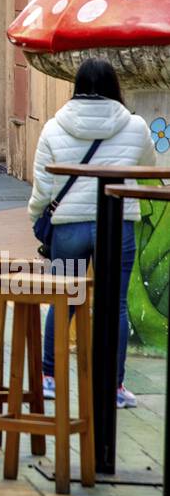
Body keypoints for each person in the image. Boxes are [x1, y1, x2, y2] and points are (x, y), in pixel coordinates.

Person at [28, 58, 156, 409]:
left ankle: (50, 377)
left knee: (63, 298)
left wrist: (36, 217)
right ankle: (112, 385)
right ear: (115, 86)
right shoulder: (135, 126)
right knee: (114, 302)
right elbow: (147, 165)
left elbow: (43, 186)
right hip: (117, 222)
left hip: (68, 223)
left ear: (76, 86)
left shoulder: (54, 127)